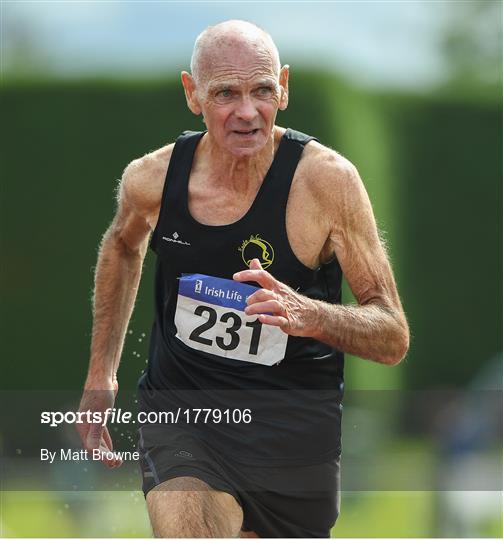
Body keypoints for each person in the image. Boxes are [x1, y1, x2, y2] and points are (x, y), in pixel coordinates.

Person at [78, 19, 409, 538]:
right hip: (183, 415)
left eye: (261, 91)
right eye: (225, 93)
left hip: (293, 439)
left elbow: (391, 333)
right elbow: (122, 244)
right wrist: (103, 373)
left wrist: (311, 314)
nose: (247, 112)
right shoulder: (153, 179)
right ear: (192, 95)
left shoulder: (327, 183)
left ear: (284, 87)